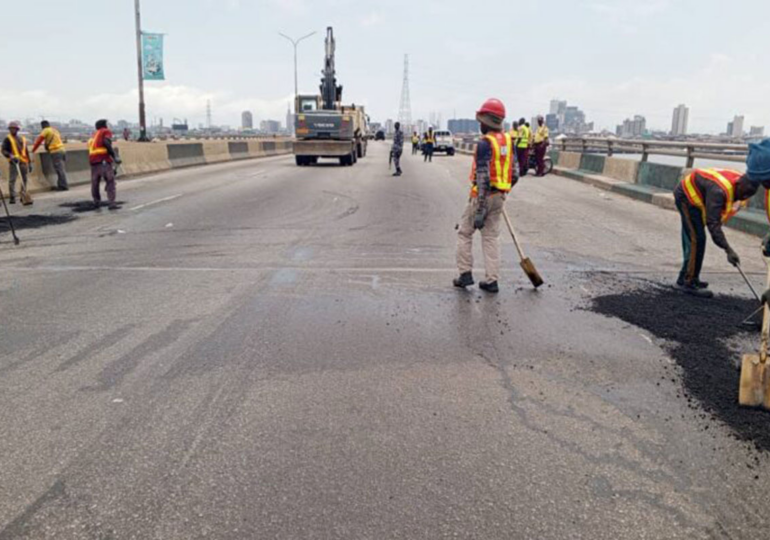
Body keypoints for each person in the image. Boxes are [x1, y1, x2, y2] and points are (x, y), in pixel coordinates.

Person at [674, 140, 770, 298]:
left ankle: (689, 276)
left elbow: (718, 219)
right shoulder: (719, 191)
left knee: (697, 238)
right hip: (686, 197)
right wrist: (728, 250)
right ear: (738, 185)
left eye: (748, 196)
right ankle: (688, 282)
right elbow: (713, 225)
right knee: (697, 239)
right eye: (743, 194)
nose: (743, 197)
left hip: (701, 195)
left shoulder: (745, 185)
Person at [454, 98, 518, 293]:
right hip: (499, 195)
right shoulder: (508, 140)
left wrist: (481, 207)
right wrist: (503, 191)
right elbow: (515, 172)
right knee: (490, 237)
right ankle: (492, 281)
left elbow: (482, 178)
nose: (479, 124)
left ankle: (465, 274)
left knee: (465, 232)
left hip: (482, 196)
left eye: (481, 121)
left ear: (487, 121)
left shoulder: (485, 144)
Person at [88, 119, 121, 210]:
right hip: (104, 161)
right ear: (104, 125)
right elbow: (106, 142)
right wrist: (114, 156)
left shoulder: (94, 135)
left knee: (95, 183)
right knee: (110, 182)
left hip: (93, 162)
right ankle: (112, 203)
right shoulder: (105, 131)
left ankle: (96, 202)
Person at [32, 120, 68, 191]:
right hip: (62, 150)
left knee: (59, 169)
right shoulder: (55, 130)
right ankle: (62, 184)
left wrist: (33, 150)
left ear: (42, 126)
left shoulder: (45, 130)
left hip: (55, 151)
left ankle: (63, 186)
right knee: (61, 169)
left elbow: (39, 141)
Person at [2, 121, 32, 204]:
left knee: (24, 179)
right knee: (12, 180)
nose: (12, 130)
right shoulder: (7, 139)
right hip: (14, 162)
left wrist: (29, 163)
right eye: (11, 129)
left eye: (14, 129)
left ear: (17, 129)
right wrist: (10, 156)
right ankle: (12, 197)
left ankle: (23, 195)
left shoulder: (22, 139)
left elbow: (26, 151)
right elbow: (3, 150)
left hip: (23, 162)